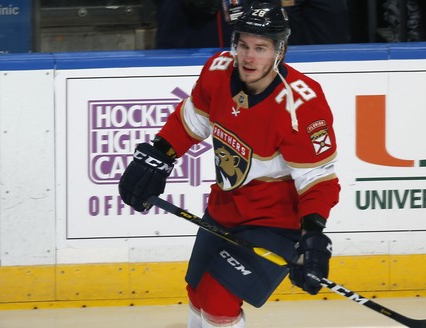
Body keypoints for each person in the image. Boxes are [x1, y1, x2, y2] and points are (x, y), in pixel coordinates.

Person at [119, 1, 340, 327]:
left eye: (260, 48)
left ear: (280, 50)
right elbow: (192, 120)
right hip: (225, 209)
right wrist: (162, 153)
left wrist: (313, 235)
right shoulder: (218, 70)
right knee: (197, 293)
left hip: (274, 225)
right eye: (243, 45)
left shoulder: (302, 105)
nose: (249, 57)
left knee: (217, 300)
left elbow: (318, 180)